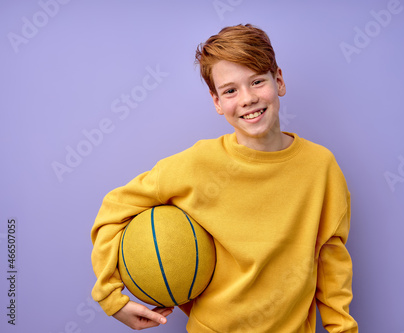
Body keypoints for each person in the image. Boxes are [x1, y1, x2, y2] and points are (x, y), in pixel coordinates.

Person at [91, 23, 358, 332]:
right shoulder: (196, 164)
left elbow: (331, 259)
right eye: (230, 90)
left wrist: (343, 328)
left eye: (257, 82)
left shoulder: (320, 167)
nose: (247, 99)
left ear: (279, 81)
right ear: (217, 101)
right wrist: (111, 299)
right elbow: (114, 209)